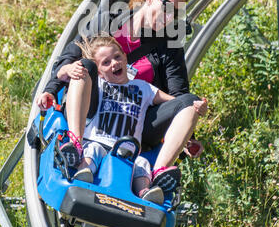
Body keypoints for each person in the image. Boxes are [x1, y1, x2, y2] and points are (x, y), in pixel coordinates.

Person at [37, 0, 207, 169]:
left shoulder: (169, 45)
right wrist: (51, 91)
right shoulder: (108, 22)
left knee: (189, 101)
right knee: (85, 65)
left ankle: (158, 173)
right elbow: (70, 56)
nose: (170, 18)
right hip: (94, 110)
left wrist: (189, 132)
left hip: (136, 122)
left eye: (176, 13)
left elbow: (178, 95)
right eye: (167, 8)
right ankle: (76, 144)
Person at [58, 36, 207, 205]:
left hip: (129, 151)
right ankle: (81, 164)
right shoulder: (98, 83)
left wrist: (195, 107)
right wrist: (68, 68)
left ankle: (150, 185)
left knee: (142, 164)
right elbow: (61, 74)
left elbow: (177, 103)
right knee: (93, 150)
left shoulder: (144, 88)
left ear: (125, 57)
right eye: (106, 63)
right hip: (98, 141)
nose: (114, 63)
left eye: (117, 57)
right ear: (99, 71)